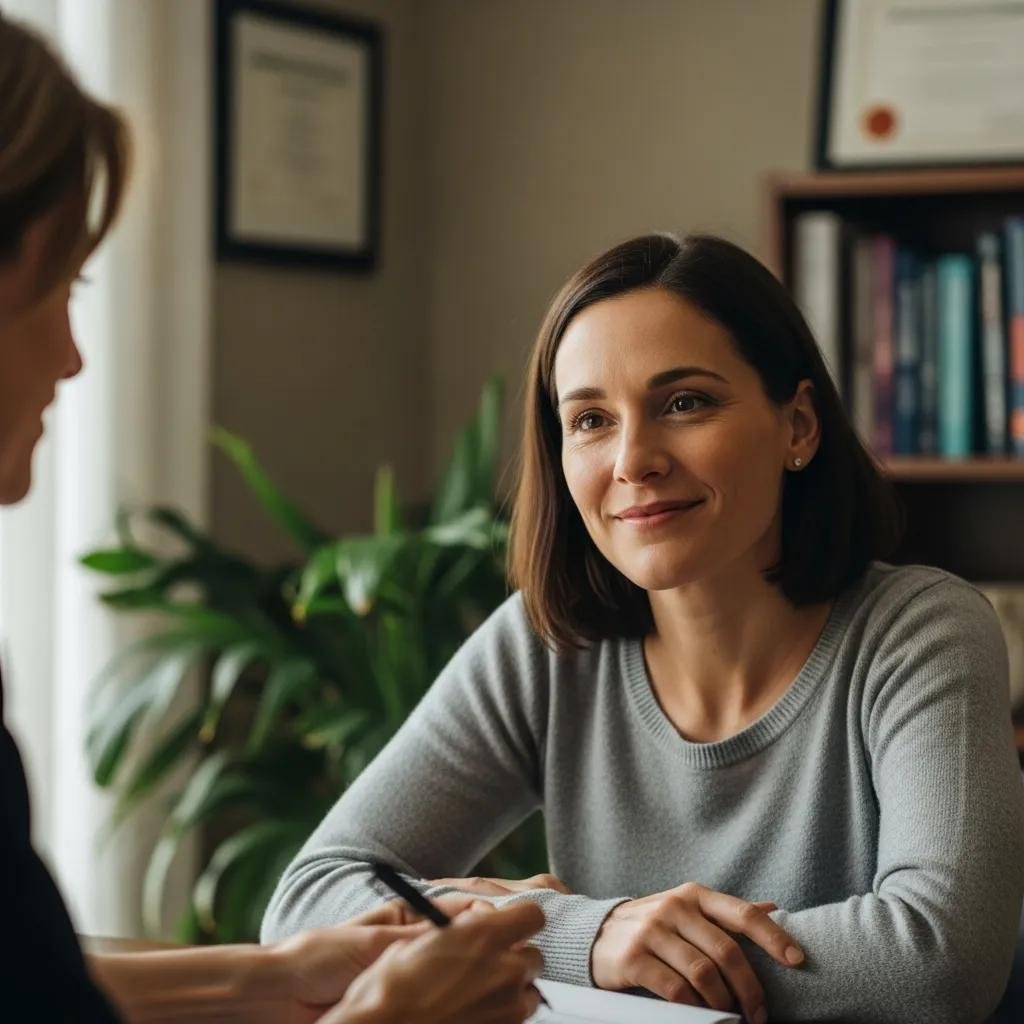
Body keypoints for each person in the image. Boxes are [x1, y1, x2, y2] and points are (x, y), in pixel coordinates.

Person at [261, 230, 1024, 1024]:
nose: (634, 460)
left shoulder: (921, 631)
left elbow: (939, 964)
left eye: (685, 403)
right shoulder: (544, 646)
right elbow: (310, 901)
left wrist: (622, 952)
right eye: (590, 420)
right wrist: (588, 937)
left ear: (797, 426)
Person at [0, 14, 545, 1024]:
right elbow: (325, 876)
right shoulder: (546, 643)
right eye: (62, 285)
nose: (75, 356)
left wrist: (274, 975)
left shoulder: (910, 633)